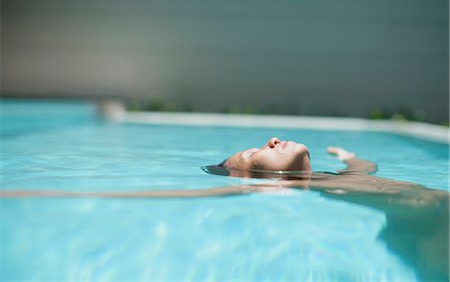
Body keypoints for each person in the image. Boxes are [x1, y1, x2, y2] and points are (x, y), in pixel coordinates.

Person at [1, 137, 448, 280]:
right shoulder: (272, 191)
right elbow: (162, 198)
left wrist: (347, 156)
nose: (271, 140)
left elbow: (368, 167)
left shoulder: (341, 181)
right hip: (427, 234)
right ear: (247, 179)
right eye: (256, 153)